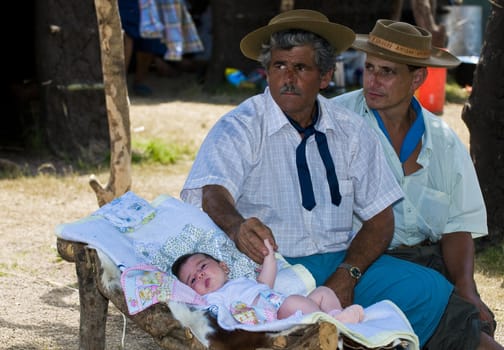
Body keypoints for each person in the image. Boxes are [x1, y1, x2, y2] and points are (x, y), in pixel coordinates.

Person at [180, 9, 463, 348]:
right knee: (274, 323)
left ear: (326, 76)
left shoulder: (351, 130)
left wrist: (349, 274)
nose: (287, 78)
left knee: (427, 289)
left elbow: (380, 220)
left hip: (340, 259)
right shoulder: (239, 126)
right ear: (266, 72)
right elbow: (213, 192)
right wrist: (237, 226)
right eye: (279, 66)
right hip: (274, 270)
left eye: (301, 68)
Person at [332, 19, 502, 349]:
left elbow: (456, 226)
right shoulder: (336, 121)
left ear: (418, 78)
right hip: (361, 266)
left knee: (478, 328)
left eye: (387, 71)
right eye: (369, 68)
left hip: (429, 263)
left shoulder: (442, 141)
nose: (373, 80)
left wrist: (467, 289)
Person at [171, 238, 365, 324]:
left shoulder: (245, 282)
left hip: (286, 309)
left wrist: (269, 256)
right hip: (272, 318)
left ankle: (337, 317)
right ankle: (332, 324)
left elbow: (265, 282)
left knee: (323, 292)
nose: (200, 275)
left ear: (223, 267)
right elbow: (218, 318)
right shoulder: (213, 299)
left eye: (203, 267)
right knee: (294, 301)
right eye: (193, 279)